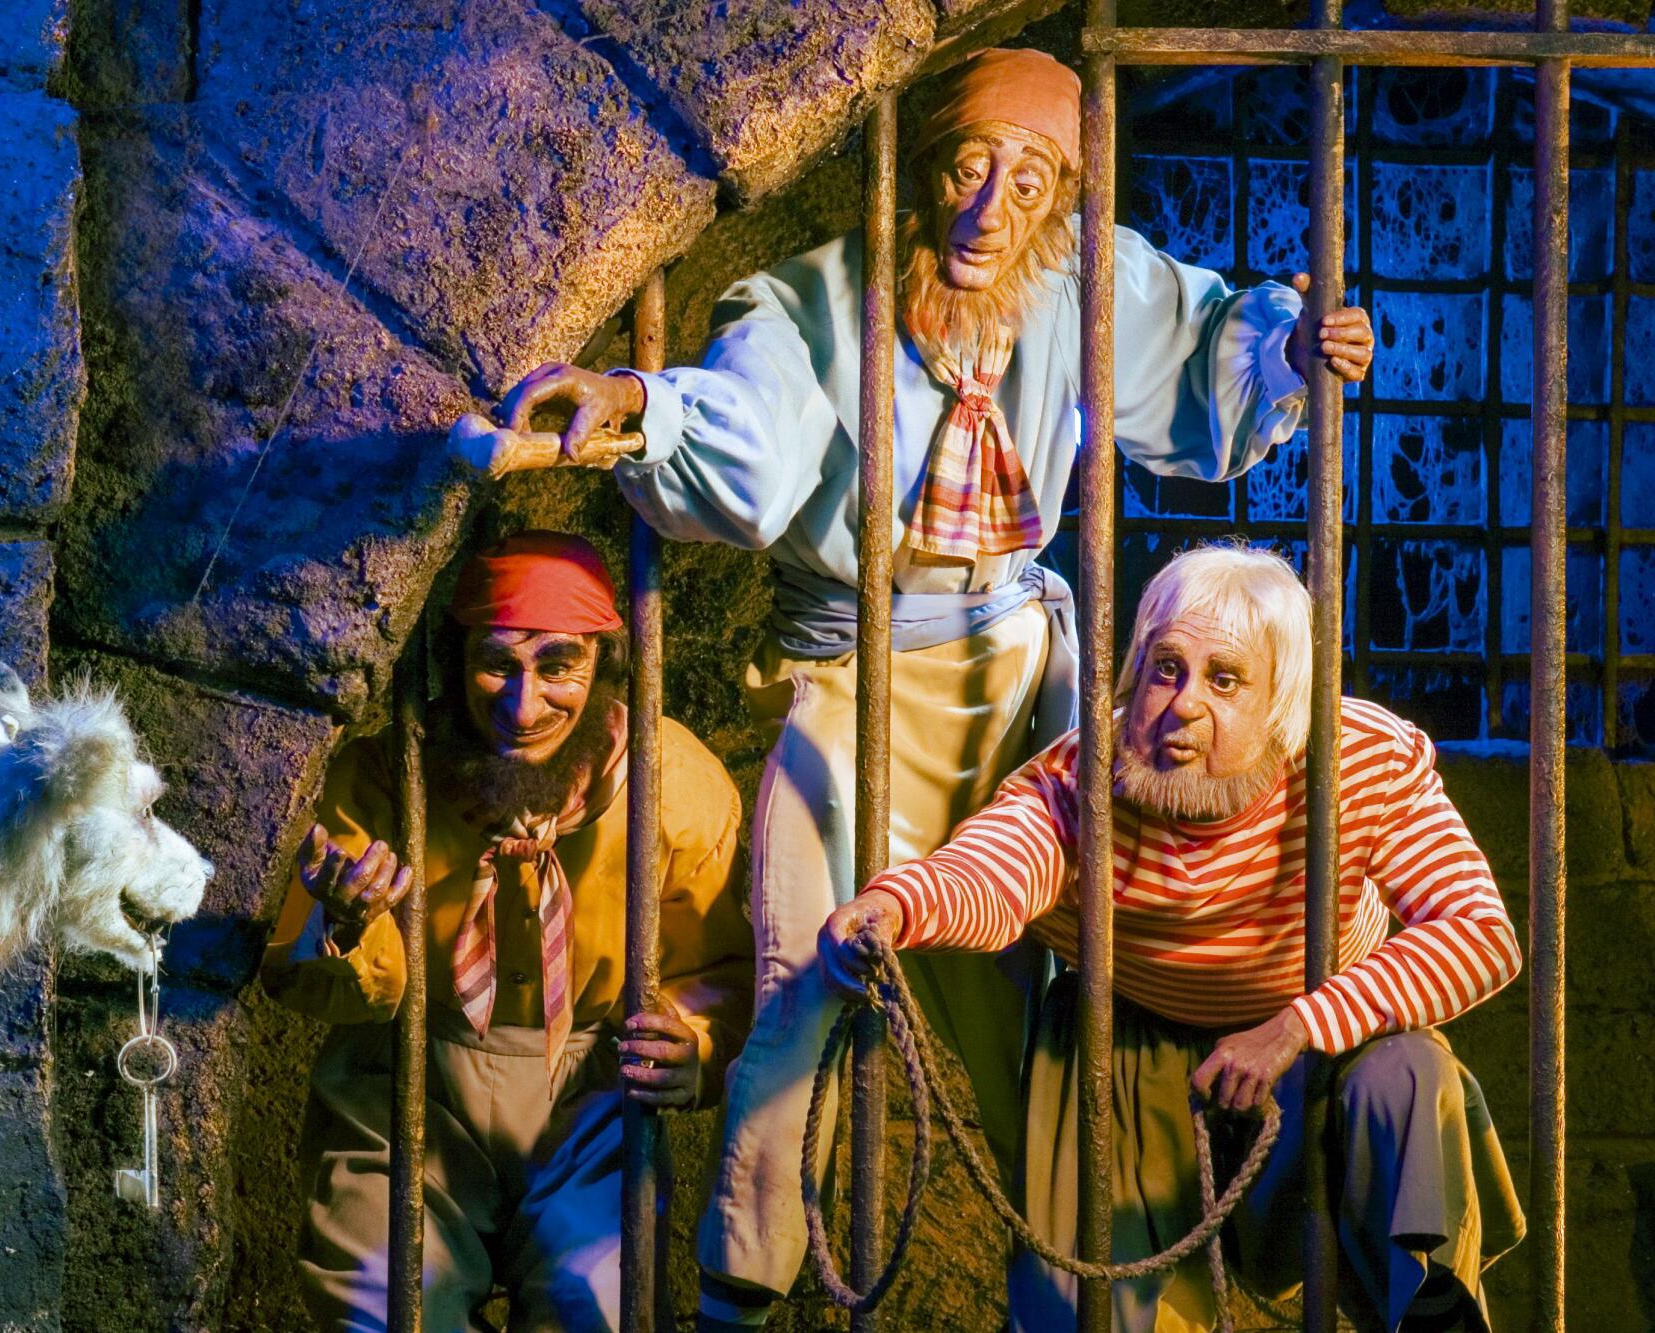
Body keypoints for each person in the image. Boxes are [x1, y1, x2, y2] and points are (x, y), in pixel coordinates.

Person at [490, 46, 1376, 1328]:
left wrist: (1292, 348)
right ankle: (745, 1271)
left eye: (1028, 187)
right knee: (803, 965)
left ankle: (1100, 1274)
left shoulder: (1081, 283)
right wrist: (636, 403)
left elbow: (1196, 351)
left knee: (1063, 992)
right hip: (858, 675)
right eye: (969, 169)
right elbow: (747, 438)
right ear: (915, 168)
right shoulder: (810, 305)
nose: (987, 212)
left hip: (1022, 671)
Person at [820, 544, 1525, 1332]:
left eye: (1224, 678)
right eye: (1165, 668)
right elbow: (995, 867)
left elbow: (1481, 932)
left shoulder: (1363, 759)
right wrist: (897, 905)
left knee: (1407, 1072)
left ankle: (1431, 1311)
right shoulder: (1084, 774)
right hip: (1123, 1055)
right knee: (1069, 1307)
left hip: (1311, 1050)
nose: (1184, 703)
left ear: (1281, 702)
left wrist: (1298, 1026)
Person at [260, 530, 754, 1333]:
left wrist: (694, 1043)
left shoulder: (675, 789)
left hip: (592, 1092)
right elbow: (306, 973)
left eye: (559, 665)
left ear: (606, 665)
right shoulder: (385, 778)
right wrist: (346, 923)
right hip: (411, 1081)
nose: (523, 708)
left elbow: (729, 966)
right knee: (382, 1308)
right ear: (453, 660)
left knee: (601, 1306)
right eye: (497, 663)